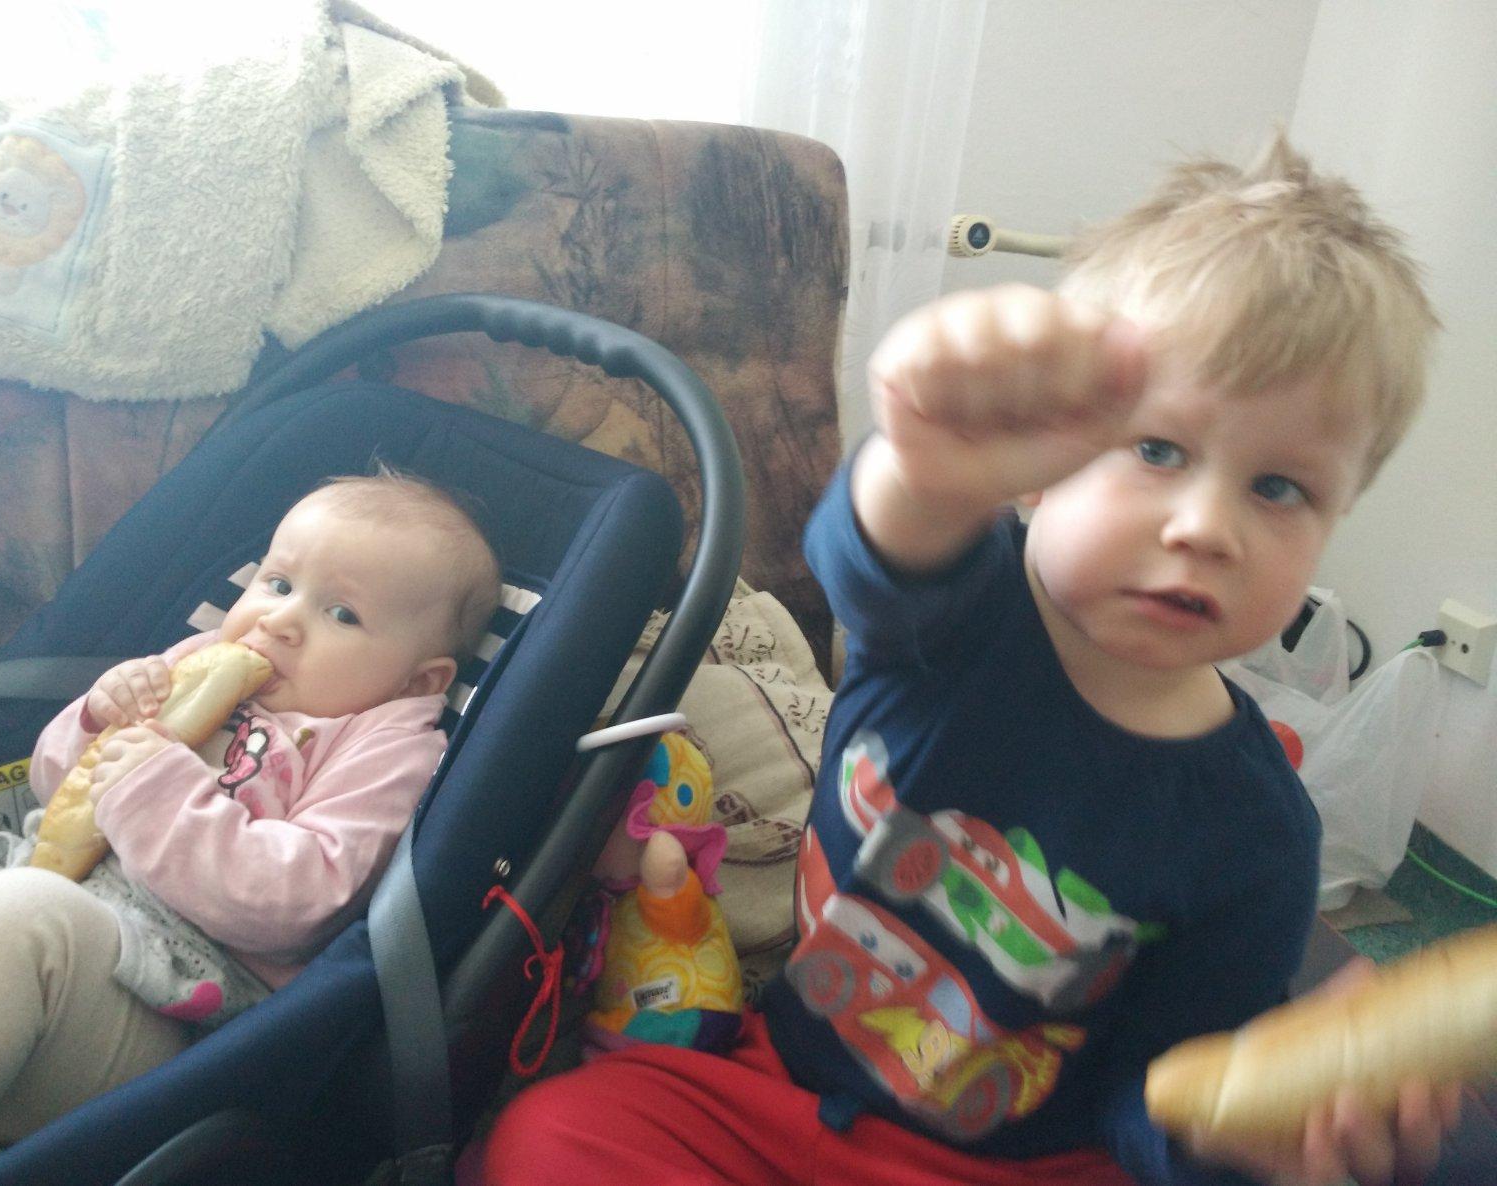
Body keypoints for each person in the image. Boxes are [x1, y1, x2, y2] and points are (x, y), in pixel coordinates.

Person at [481, 135, 1459, 1186]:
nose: (1205, 527)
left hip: (1019, 1164)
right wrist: (925, 462)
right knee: (549, 1137)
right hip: (784, 1081)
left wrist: (1226, 1131)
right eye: (1157, 450)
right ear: (1036, 464)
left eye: (1279, 488)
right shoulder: (956, 612)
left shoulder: (1259, 836)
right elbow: (867, 553)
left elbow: (1150, 1089)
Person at [0, 467, 501, 1186]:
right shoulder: (193, 660)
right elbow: (55, 788)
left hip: (170, 1018)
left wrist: (154, 785)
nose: (279, 620)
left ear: (418, 681)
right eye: (278, 582)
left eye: (342, 614)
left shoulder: (386, 746)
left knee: (17, 915)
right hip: (52, 948)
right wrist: (96, 717)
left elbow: (296, 901)